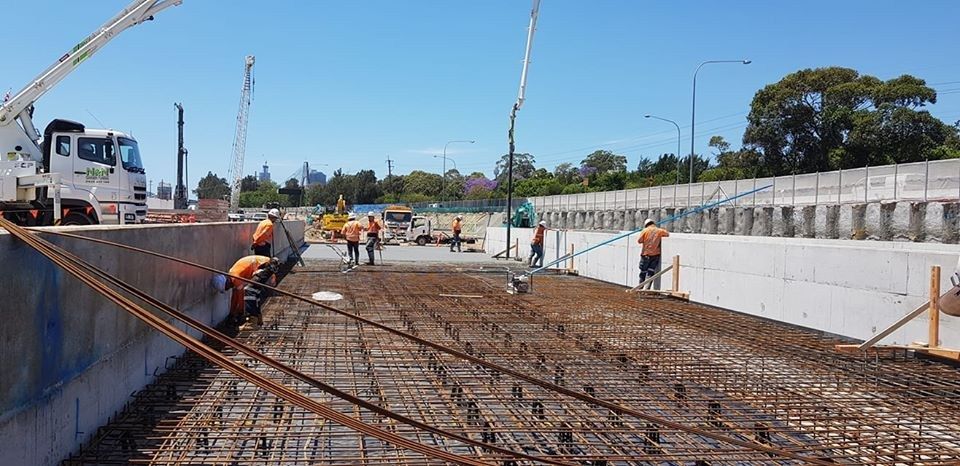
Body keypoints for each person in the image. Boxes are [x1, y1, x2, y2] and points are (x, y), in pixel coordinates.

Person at [224, 255, 278, 325]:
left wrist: (240, 314)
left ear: (227, 284)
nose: (228, 289)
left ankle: (252, 322)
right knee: (255, 291)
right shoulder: (233, 274)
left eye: (226, 288)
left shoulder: (235, 278)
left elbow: (241, 297)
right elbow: (234, 297)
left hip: (265, 265)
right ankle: (258, 318)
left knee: (249, 290)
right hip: (266, 264)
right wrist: (231, 314)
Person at [239, 259, 279, 330]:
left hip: (260, 276)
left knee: (249, 291)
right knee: (255, 295)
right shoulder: (263, 266)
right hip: (262, 278)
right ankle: (257, 319)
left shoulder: (261, 265)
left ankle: (252, 322)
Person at [637, 218, 669, 288]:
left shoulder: (645, 230)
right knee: (650, 273)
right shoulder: (659, 231)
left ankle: (639, 289)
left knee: (643, 272)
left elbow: (639, 241)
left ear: (646, 225)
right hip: (655, 255)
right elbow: (667, 234)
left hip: (645, 255)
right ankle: (647, 290)